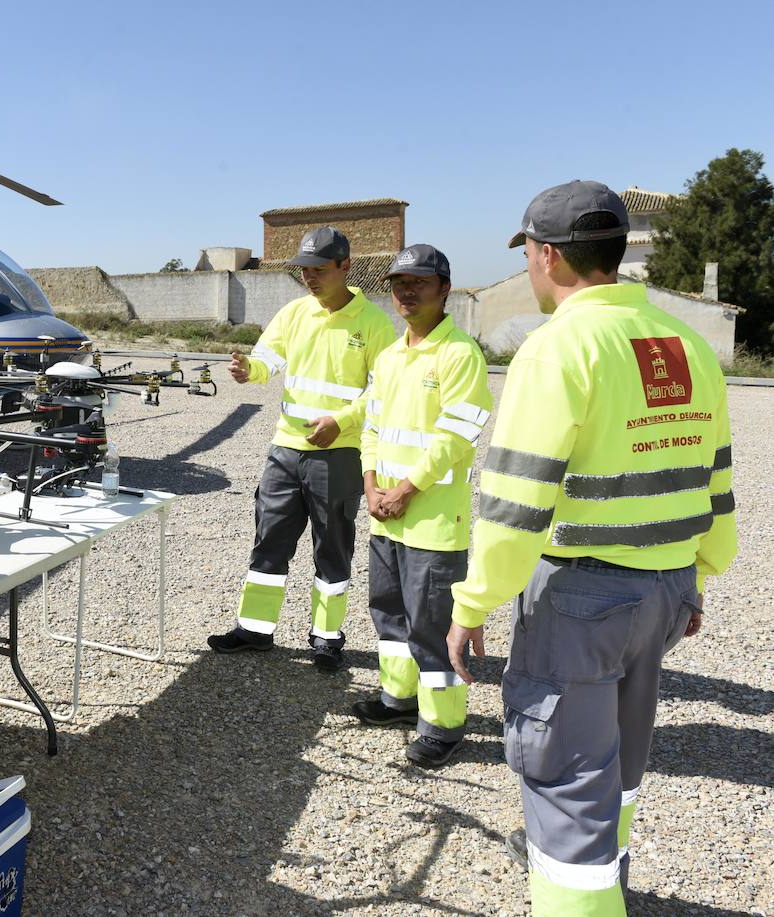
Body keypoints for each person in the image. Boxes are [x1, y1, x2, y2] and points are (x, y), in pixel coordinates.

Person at [447, 181, 737, 915]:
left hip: (582, 597)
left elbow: (515, 504)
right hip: (667, 587)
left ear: (547, 255)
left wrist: (473, 603)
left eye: (529, 254)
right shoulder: (688, 345)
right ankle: (611, 878)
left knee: (566, 782)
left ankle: (581, 890)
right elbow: (716, 484)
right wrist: (696, 577)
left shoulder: (558, 348)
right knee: (620, 760)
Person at [208, 226, 396, 670]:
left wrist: (341, 422)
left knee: (332, 547)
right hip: (285, 451)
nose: (309, 277)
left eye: (318, 269)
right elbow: (268, 359)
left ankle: (327, 638)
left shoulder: (374, 324)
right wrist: (249, 369)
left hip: (339, 453)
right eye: (303, 270)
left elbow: (384, 391)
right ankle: (254, 629)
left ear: (345, 267)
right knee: (269, 540)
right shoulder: (294, 313)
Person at [351, 244, 491, 768]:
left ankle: (443, 726)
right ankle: (398, 700)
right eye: (399, 283)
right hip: (385, 515)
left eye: (419, 283)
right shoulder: (390, 356)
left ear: (444, 289)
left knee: (431, 626)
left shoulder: (460, 355)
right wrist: (371, 485)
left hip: (432, 521)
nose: (406, 292)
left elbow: (456, 437)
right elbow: (372, 428)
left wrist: (404, 490)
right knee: (389, 614)